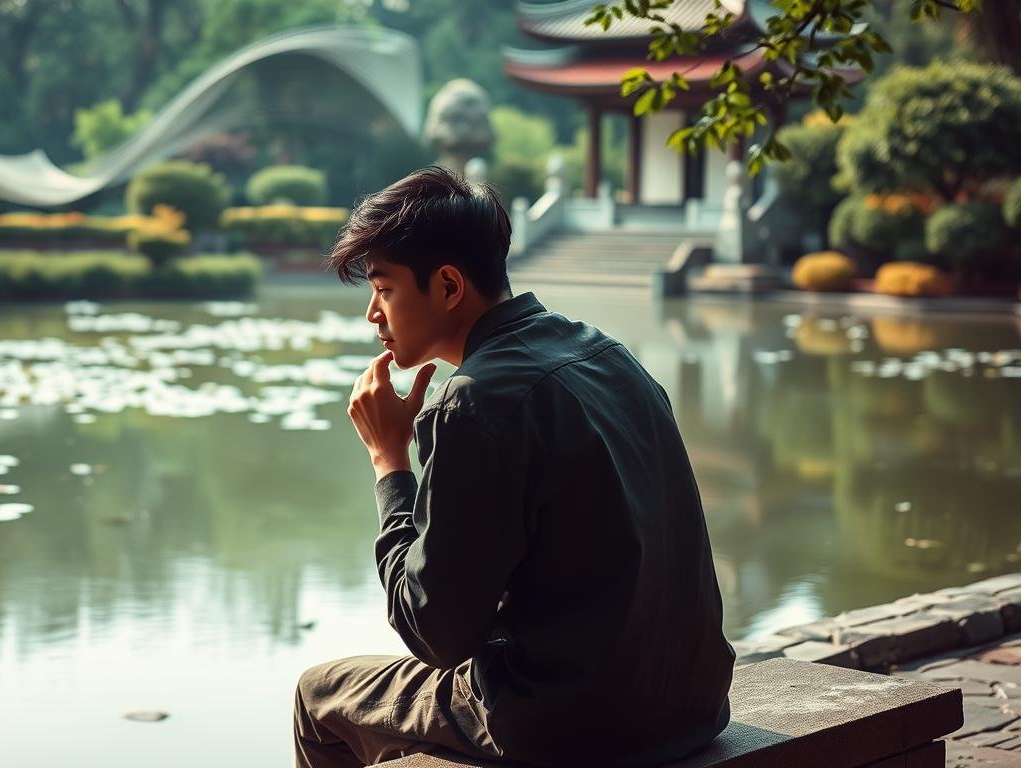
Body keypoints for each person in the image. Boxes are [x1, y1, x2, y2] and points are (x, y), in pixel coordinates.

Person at [293, 166, 734, 768]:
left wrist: (389, 463)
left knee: (317, 696)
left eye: (385, 289)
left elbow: (434, 635)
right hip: (695, 703)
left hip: (575, 722)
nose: (374, 314)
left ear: (448, 286)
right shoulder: (609, 354)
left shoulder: (476, 402)